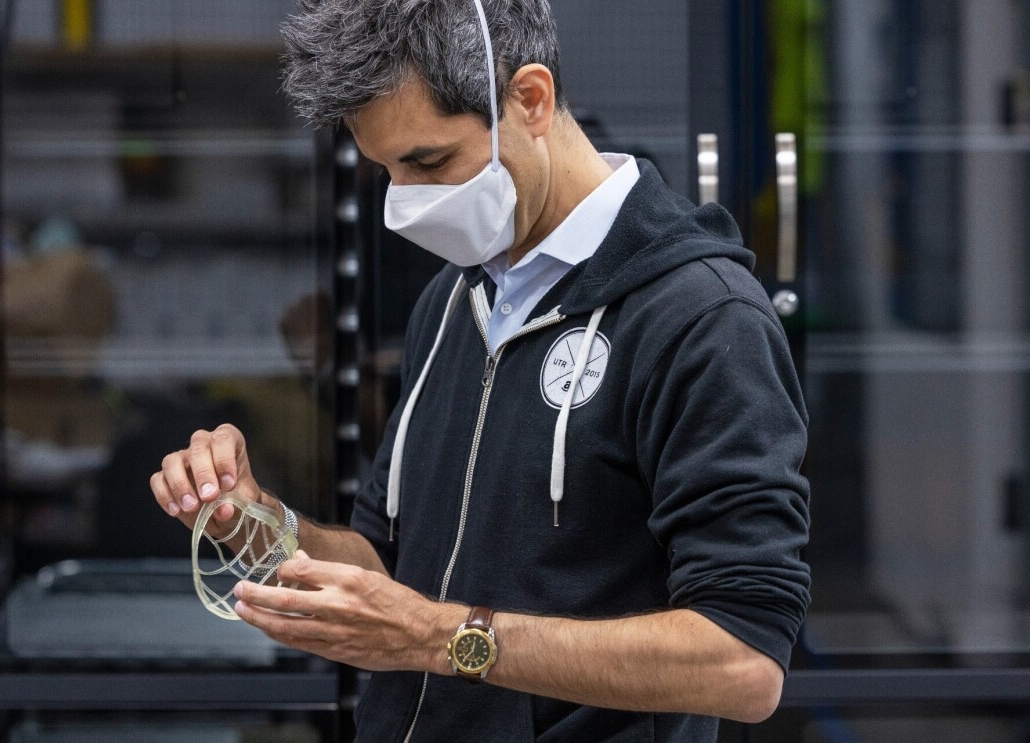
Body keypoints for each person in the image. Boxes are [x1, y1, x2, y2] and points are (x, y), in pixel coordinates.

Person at [150, 0, 811, 740]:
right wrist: (257, 522)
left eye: (429, 161)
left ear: (530, 100)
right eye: (386, 171)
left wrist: (441, 637)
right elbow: (389, 563)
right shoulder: (455, 299)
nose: (406, 201)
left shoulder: (701, 319)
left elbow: (744, 661)